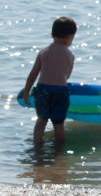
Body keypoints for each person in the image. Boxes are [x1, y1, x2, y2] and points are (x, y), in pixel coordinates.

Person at [22, 16, 77, 146]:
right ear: (70, 36)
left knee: (41, 121)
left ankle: (37, 148)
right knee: (58, 123)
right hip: (60, 92)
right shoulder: (70, 55)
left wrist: (26, 92)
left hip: (43, 90)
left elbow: (33, 75)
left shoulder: (43, 53)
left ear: (52, 34)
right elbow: (67, 75)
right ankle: (59, 151)